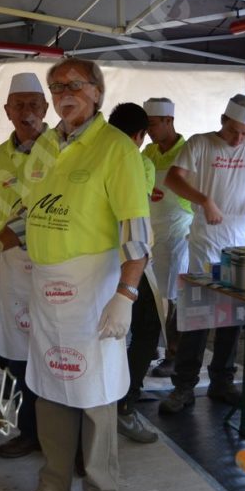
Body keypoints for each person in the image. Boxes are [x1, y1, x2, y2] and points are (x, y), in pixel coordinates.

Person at [0, 58, 150, 491]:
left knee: (95, 394)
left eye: (73, 85)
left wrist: (126, 294)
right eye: (56, 86)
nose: (63, 93)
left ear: (97, 92)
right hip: (47, 286)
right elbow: (28, 214)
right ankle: (53, 485)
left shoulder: (115, 149)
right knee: (49, 390)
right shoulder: (47, 145)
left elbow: (136, 231)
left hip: (95, 288)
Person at [160, 94, 245, 414]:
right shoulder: (200, 144)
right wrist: (205, 201)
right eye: (234, 131)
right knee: (197, 317)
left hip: (241, 242)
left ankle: (222, 382)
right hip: (205, 240)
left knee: (231, 317)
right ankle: (184, 386)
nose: (239, 139)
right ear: (223, 121)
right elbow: (173, 179)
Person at [0, 72, 48, 458]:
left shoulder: (61, 149)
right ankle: (29, 431)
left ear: (46, 109)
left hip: (57, 263)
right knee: (16, 351)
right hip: (11, 264)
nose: (26, 112)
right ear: (7, 111)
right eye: (19, 105)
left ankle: (61, 438)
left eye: (33, 105)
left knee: (57, 349)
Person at [107, 102, 162, 445]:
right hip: (128, 260)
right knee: (144, 328)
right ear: (140, 135)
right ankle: (123, 405)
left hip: (92, 258)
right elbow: (135, 221)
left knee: (108, 334)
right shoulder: (140, 162)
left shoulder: (90, 155)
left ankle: (114, 401)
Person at [141, 97, 192, 379]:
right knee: (152, 294)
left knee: (173, 298)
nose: (149, 131)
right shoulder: (148, 152)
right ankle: (150, 347)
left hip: (179, 233)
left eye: (153, 125)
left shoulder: (187, 152)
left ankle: (174, 354)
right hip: (155, 232)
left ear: (169, 121)